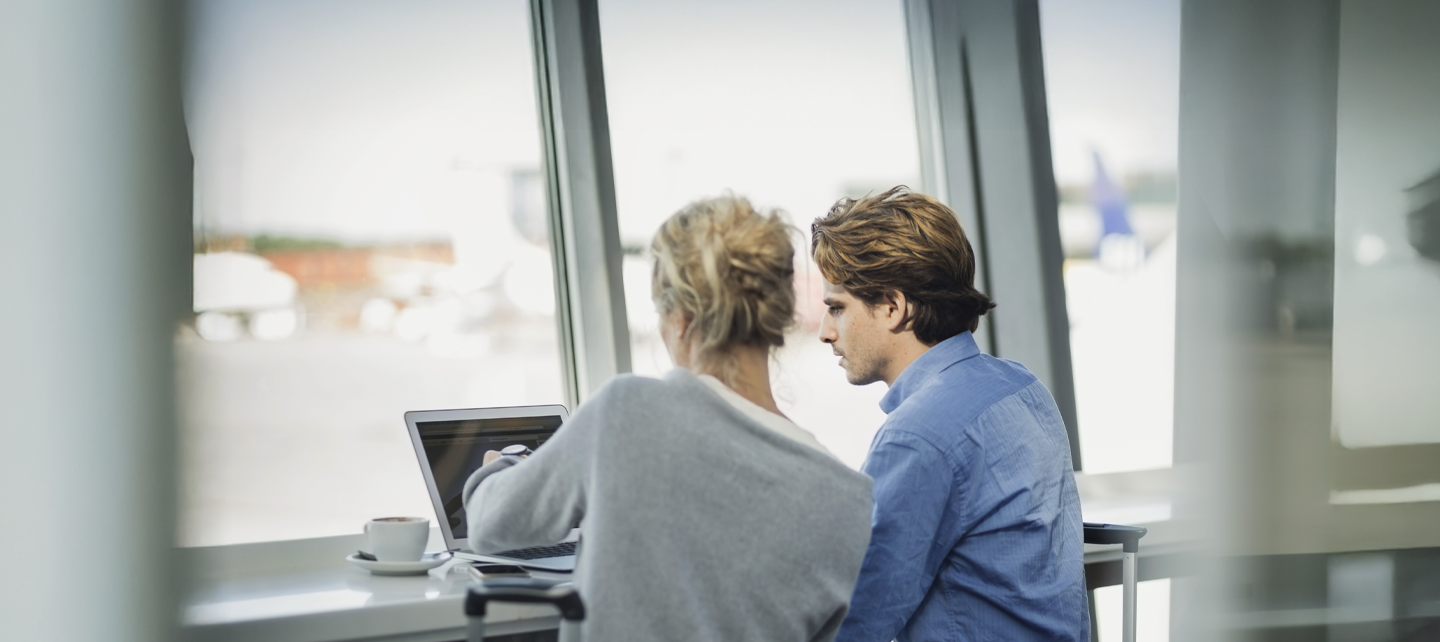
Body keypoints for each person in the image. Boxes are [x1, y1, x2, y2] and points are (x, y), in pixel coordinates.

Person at [462, 195, 874, 642]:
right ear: (773, 319)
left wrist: (502, 467)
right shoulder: (847, 499)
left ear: (681, 319)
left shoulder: (628, 412)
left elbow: (489, 526)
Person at [813, 187, 1088, 641]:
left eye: (837, 308)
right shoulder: (1022, 388)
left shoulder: (919, 436)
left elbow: (858, 622)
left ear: (892, 307)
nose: (825, 332)